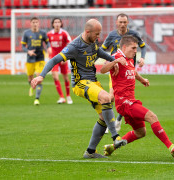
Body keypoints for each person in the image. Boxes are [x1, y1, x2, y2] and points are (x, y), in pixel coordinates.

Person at [31, 19, 128, 158]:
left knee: (104, 115)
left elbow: (99, 52)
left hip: (93, 82)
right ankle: (116, 138)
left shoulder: (92, 42)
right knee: (106, 97)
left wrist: (113, 60)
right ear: (87, 32)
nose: (98, 37)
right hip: (80, 83)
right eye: (96, 34)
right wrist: (41, 76)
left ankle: (90, 152)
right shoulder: (74, 47)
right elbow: (54, 60)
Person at [101, 35, 174, 158]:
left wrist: (142, 80)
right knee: (152, 116)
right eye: (133, 48)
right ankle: (171, 146)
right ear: (124, 47)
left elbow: (133, 71)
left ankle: (112, 147)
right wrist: (115, 62)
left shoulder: (129, 59)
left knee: (141, 132)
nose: (135, 51)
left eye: (136, 48)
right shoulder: (116, 56)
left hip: (129, 102)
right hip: (124, 102)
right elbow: (102, 69)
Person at [101, 13, 147, 133]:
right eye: (120, 22)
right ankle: (110, 122)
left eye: (124, 22)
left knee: (128, 98)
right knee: (111, 97)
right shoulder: (112, 35)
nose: (122, 24)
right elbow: (102, 49)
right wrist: (109, 60)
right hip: (116, 70)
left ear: (128, 23)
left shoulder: (134, 35)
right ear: (116, 23)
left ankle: (117, 121)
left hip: (129, 70)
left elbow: (143, 46)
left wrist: (142, 58)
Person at [21, 17, 50, 105]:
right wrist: (28, 51)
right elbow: (23, 46)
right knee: (30, 78)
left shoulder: (43, 33)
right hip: (30, 59)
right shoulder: (26, 33)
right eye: (33, 22)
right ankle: (31, 87)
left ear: (38, 23)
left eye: (36, 22)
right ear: (30, 23)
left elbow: (47, 42)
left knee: (39, 78)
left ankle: (37, 99)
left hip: (40, 58)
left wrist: (49, 47)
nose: (35, 24)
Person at [47, 17, 73, 104]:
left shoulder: (64, 34)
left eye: (58, 22)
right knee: (55, 76)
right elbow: (46, 43)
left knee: (65, 78)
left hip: (63, 58)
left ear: (61, 24)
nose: (57, 24)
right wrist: (48, 48)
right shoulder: (49, 34)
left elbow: (70, 45)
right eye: (55, 22)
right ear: (53, 24)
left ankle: (68, 96)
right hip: (54, 59)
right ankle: (62, 97)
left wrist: (66, 57)